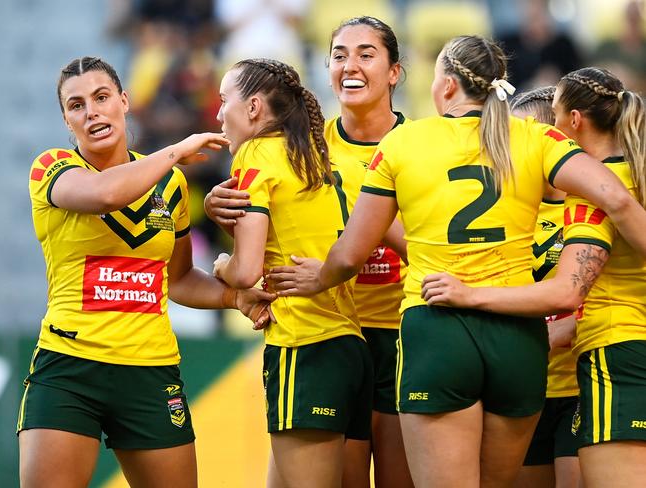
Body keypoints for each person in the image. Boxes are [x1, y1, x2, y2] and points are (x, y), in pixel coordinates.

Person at [266, 36, 646, 487]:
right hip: (518, 338)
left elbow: (350, 254)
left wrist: (318, 278)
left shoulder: (405, 141)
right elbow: (616, 198)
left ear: (446, 86)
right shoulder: (536, 137)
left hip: (438, 327)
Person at [18, 56, 274, 488]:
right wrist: (175, 151)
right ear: (67, 119)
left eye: (101, 98)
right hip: (68, 369)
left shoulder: (169, 185)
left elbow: (179, 279)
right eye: (77, 105)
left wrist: (234, 297)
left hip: (150, 371)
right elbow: (103, 195)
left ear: (124, 101)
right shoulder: (52, 168)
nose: (92, 112)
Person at [205, 16, 414, 487]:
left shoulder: (418, 145)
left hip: (396, 335)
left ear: (395, 71)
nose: (350, 64)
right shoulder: (316, 147)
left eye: (365, 54)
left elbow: (422, 243)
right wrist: (220, 202)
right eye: (339, 54)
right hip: (348, 333)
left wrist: (329, 268)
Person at [421, 67, 646, 488]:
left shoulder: (599, 195)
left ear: (564, 128)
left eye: (523, 134)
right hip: (546, 380)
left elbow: (568, 293)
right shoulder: (523, 208)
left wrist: (470, 298)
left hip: (605, 363)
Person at [510, 86, 582, 488]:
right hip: (522, 389)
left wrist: (568, 327)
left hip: (576, 386)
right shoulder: (504, 210)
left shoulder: (587, 208)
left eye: (518, 137)